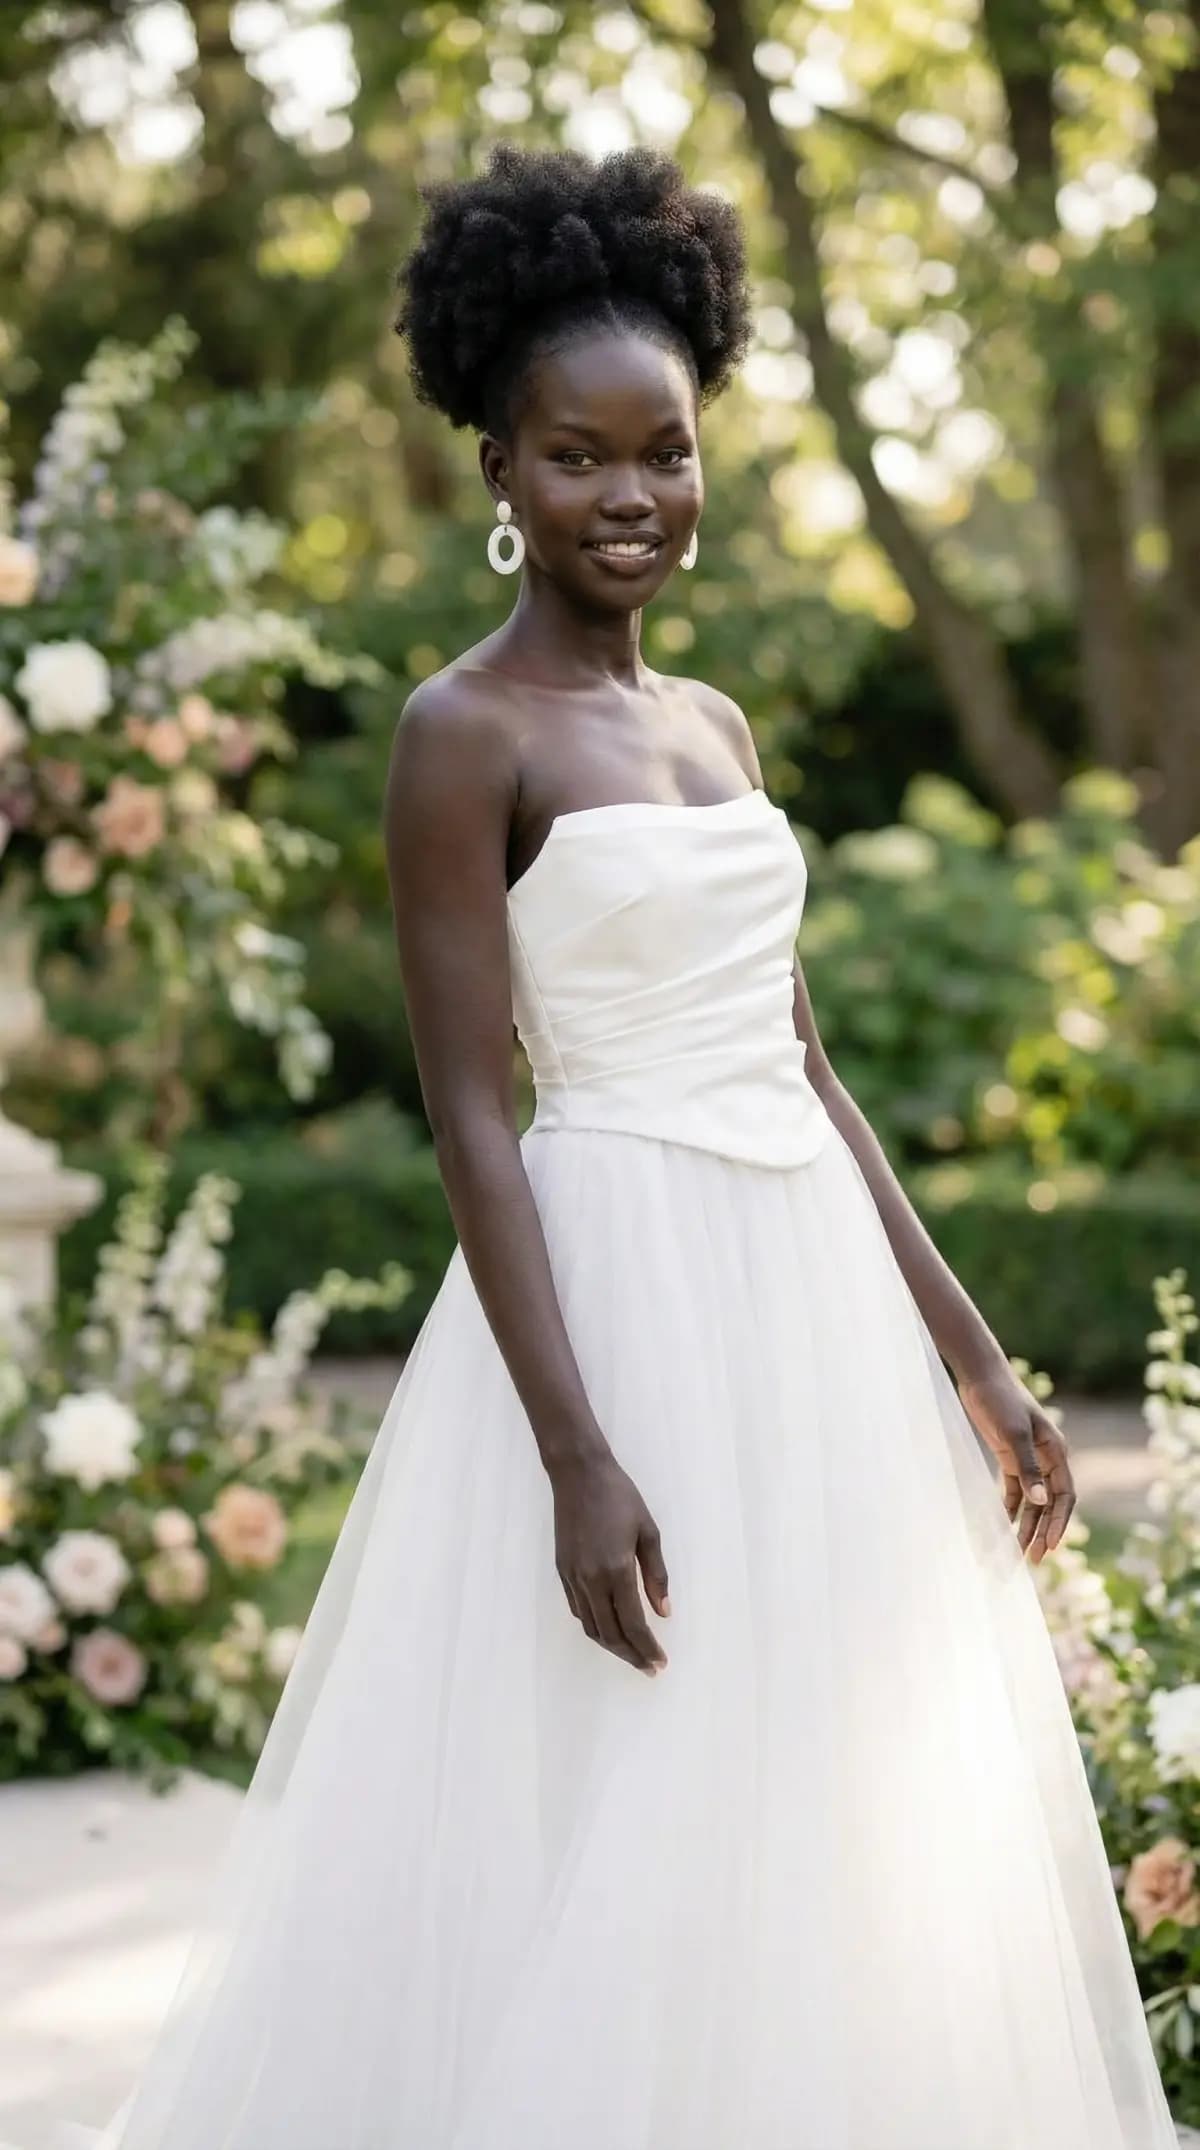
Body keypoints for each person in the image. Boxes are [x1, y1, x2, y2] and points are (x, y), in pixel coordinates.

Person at [51, 142, 1181, 2150]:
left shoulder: (723, 731)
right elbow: (474, 1102)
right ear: (497, 467)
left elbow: (807, 1061)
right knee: (617, 1770)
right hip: (611, 1292)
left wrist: (974, 1349)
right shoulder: (459, 733)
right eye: (579, 459)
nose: (631, 497)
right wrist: (576, 1450)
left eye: (664, 455)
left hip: (806, 1300)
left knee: (815, 1773)